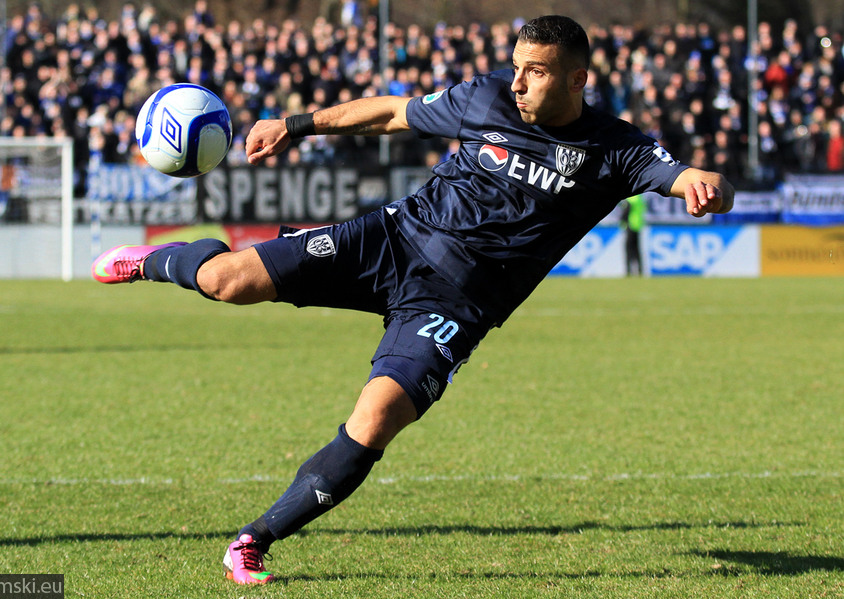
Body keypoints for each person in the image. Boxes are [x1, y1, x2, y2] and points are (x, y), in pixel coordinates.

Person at [92, 15, 734, 585]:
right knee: (226, 281)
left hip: (455, 305)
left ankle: (253, 540)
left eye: (535, 73)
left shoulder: (615, 149)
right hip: (391, 241)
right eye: (516, 67)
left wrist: (709, 184)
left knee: (373, 423)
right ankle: (156, 260)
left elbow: (686, 178)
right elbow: (394, 113)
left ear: (576, 80)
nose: (517, 83)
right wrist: (295, 124)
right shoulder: (483, 96)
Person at [621, 193, 646, 276]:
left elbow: (625, 213)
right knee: (637, 250)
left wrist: (622, 221)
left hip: (630, 226)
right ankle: (640, 271)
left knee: (628, 250)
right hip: (637, 226)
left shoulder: (630, 199)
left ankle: (628, 271)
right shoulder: (639, 198)